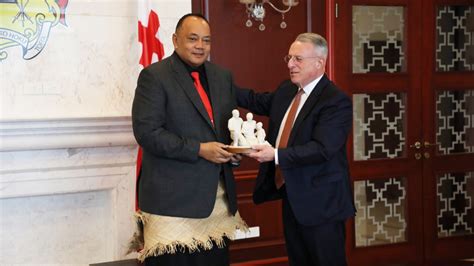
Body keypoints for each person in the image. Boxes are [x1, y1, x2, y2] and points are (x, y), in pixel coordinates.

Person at [131, 13, 247, 266]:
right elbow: (147, 133)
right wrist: (199, 150)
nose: (200, 46)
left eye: (206, 40)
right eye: (192, 39)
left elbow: (223, 129)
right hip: (172, 204)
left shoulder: (221, 76)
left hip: (217, 203)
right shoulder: (155, 76)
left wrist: (233, 152)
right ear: (175, 40)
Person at [237, 33, 355, 266]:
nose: (290, 64)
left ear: (319, 63)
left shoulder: (335, 101)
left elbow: (322, 149)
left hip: (323, 204)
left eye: (298, 59)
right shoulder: (287, 90)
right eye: (289, 58)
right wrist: (218, 82)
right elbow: (257, 101)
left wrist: (276, 155)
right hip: (292, 196)